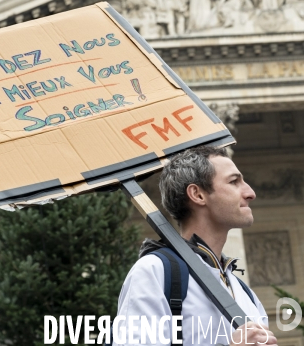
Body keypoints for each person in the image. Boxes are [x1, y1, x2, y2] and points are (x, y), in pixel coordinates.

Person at [113, 145, 277, 346]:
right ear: (197, 195)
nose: (250, 193)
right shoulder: (154, 272)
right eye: (234, 182)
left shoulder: (245, 294)